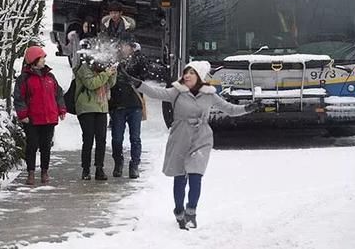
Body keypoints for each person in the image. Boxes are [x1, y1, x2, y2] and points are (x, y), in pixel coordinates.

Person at [121, 61, 260, 230]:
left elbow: (229, 109)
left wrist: (248, 108)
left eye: (191, 73)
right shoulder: (176, 92)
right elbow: (156, 93)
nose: (187, 76)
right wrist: (136, 83)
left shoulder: (209, 94)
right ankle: (179, 210)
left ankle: (191, 212)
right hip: (180, 136)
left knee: (195, 175)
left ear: (199, 76)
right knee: (180, 177)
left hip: (201, 138)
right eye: (186, 73)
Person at [14, 46, 67, 186]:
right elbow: (19, 98)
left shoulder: (50, 77)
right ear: (34, 60)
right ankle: (31, 172)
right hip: (32, 119)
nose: (44, 60)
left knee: (46, 146)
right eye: (41, 58)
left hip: (49, 118)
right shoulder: (24, 78)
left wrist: (61, 109)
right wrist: (23, 114)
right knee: (32, 146)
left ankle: (44, 171)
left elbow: (58, 94)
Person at [74, 48, 117, 180]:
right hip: (86, 107)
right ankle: (86, 169)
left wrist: (113, 73)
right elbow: (92, 84)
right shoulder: (84, 68)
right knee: (88, 138)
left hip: (101, 107)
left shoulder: (102, 70)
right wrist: (106, 74)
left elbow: (110, 84)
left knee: (101, 139)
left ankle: (99, 168)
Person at [109, 35, 149, 178]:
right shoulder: (113, 61)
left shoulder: (139, 60)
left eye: (127, 45)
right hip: (117, 104)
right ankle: (118, 163)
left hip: (134, 104)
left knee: (135, 138)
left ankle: (134, 165)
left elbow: (144, 77)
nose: (124, 48)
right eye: (122, 45)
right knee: (117, 138)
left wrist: (129, 76)